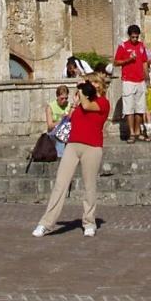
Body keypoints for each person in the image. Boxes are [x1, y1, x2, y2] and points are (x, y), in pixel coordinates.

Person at [33, 75, 110, 238]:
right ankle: (46, 223)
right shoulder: (79, 102)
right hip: (73, 145)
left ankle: (89, 222)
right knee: (60, 183)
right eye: (90, 82)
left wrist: (81, 91)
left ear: (101, 85)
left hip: (92, 147)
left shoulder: (103, 102)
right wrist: (74, 103)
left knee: (89, 186)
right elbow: (69, 118)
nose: (92, 84)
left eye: (95, 82)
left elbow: (88, 106)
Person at [114, 24, 151, 140]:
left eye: (136, 37)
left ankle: (137, 131)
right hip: (128, 81)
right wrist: (128, 60)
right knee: (129, 108)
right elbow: (116, 62)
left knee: (140, 108)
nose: (135, 39)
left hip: (140, 80)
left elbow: (145, 62)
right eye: (133, 37)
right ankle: (131, 133)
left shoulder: (141, 46)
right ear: (129, 36)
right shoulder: (123, 46)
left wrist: (147, 78)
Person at [46, 85, 71, 158]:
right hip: (54, 132)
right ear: (57, 96)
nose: (64, 100)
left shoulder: (69, 105)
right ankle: (60, 157)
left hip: (67, 131)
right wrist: (61, 120)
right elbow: (50, 126)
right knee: (60, 137)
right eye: (62, 98)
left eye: (66, 98)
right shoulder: (50, 107)